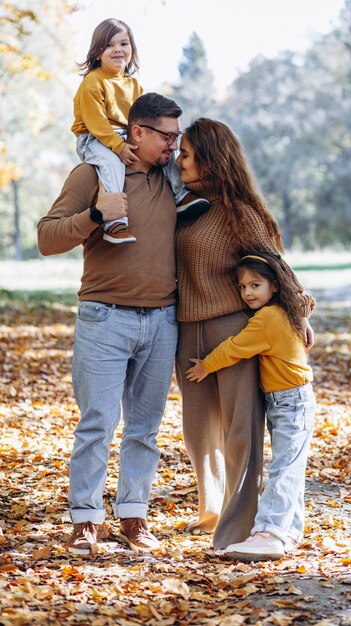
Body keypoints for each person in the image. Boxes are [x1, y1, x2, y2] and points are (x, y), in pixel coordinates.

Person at [38, 92, 184, 555]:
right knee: (98, 423)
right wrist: (97, 214)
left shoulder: (173, 179)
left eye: (178, 138)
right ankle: (85, 519)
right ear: (136, 132)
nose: (174, 147)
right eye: (166, 136)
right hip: (104, 318)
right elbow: (46, 237)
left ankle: (134, 516)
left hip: (163, 321)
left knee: (145, 428)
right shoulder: (94, 174)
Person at [174, 118, 316, 551]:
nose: (179, 161)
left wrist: (301, 310)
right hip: (187, 329)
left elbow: (275, 264)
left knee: (240, 432)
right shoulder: (185, 206)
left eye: (186, 154)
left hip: (233, 328)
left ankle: (239, 526)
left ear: (211, 159)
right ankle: (212, 510)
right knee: (198, 430)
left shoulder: (240, 213)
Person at [185, 251, 316, 561]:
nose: (247, 293)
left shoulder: (268, 319)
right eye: (242, 286)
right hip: (286, 399)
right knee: (291, 465)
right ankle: (289, 531)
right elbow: (305, 302)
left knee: (285, 467)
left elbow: (235, 348)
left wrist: (206, 366)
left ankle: (270, 533)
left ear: (274, 286)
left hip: (292, 401)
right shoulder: (281, 311)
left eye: (255, 285)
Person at [72, 18, 209, 245]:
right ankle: (115, 222)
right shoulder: (92, 82)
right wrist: (118, 147)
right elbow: (96, 123)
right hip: (94, 138)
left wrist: (149, 140)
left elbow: (142, 121)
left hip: (125, 134)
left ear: (132, 50)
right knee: (112, 163)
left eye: (123, 44)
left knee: (163, 146)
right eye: (109, 45)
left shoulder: (133, 85)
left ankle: (180, 195)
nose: (117, 49)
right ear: (97, 53)